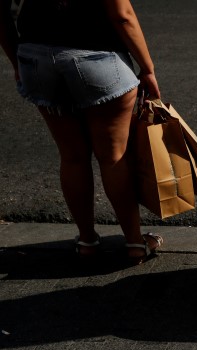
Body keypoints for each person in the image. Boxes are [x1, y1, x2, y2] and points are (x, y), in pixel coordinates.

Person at [0, 0, 163, 265]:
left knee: (72, 156)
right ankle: (135, 243)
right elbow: (122, 15)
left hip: (36, 58)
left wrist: (17, 60)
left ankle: (87, 241)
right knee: (113, 156)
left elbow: (2, 16)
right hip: (97, 58)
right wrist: (147, 69)